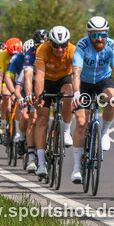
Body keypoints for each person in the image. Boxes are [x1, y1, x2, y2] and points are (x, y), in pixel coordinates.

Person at [70, 16, 114, 184]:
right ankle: (77, 167)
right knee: (81, 123)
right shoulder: (82, 46)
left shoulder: (111, 45)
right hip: (84, 83)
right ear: (89, 34)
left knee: (112, 100)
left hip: (103, 80)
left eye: (103, 35)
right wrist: (76, 93)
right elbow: (76, 71)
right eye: (96, 35)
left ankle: (104, 133)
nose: (99, 39)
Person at [32, 26, 76, 179]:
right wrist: (39, 96)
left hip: (64, 79)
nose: (59, 49)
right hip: (47, 81)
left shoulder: (73, 50)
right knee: (42, 119)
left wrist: (78, 94)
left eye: (63, 45)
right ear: (50, 43)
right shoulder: (42, 50)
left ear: (68, 43)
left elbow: (77, 75)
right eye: (56, 45)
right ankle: (42, 162)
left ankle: (65, 130)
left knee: (69, 96)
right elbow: (39, 75)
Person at [22, 30, 49, 172]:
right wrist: (28, 94)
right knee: (33, 119)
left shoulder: (53, 50)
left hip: (51, 84)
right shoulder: (30, 54)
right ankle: (32, 156)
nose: (41, 48)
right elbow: (27, 75)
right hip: (35, 85)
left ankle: (59, 136)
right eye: (38, 45)